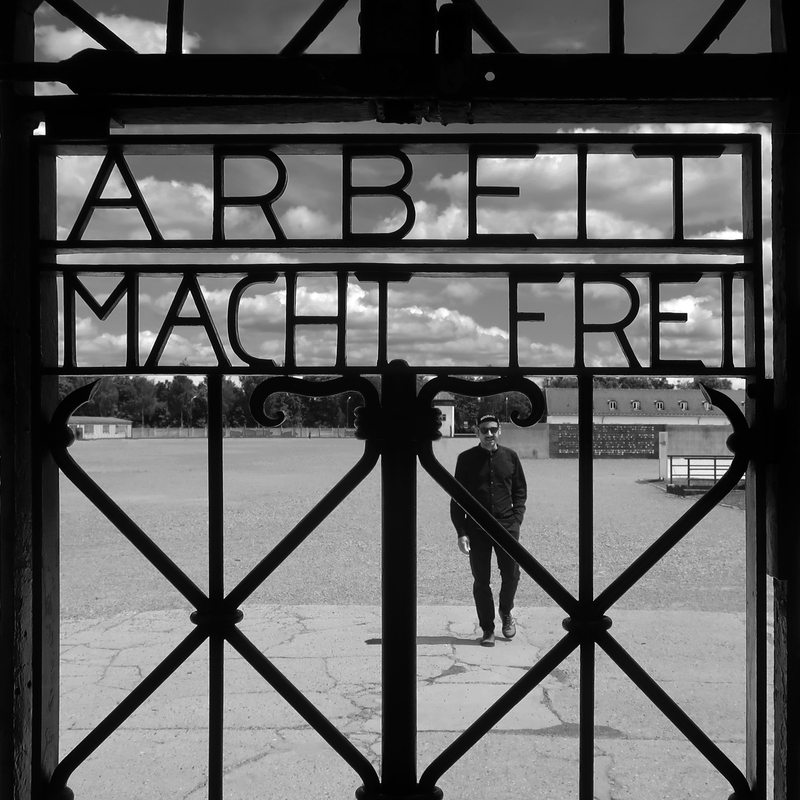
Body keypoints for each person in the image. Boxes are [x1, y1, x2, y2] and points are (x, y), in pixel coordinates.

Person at [450, 414, 527, 647]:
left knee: (511, 574)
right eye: (484, 429)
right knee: (481, 580)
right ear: (477, 432)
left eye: (493, 429)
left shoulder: (510, 457)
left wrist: (516, 519)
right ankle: (487, 629)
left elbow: (520, 491)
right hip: (477, 528)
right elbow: (457, 497)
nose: (489, 433)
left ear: (499, 431)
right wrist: (461, 531)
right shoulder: (466, 459)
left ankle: (506, 611)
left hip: (507, 526)